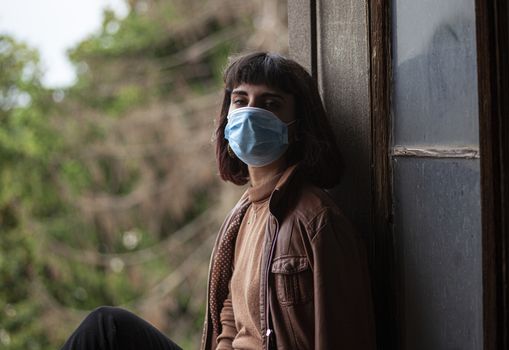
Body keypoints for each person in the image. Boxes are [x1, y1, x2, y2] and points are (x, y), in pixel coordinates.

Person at [61, 52, 375, 350]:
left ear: (298, 127)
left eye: (270, 103)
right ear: (227, 117)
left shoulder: (316, 221)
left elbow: (346, 336)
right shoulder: (244, 213)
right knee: (107, 328)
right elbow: (231, 315)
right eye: (241, 100)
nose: (252, 113)